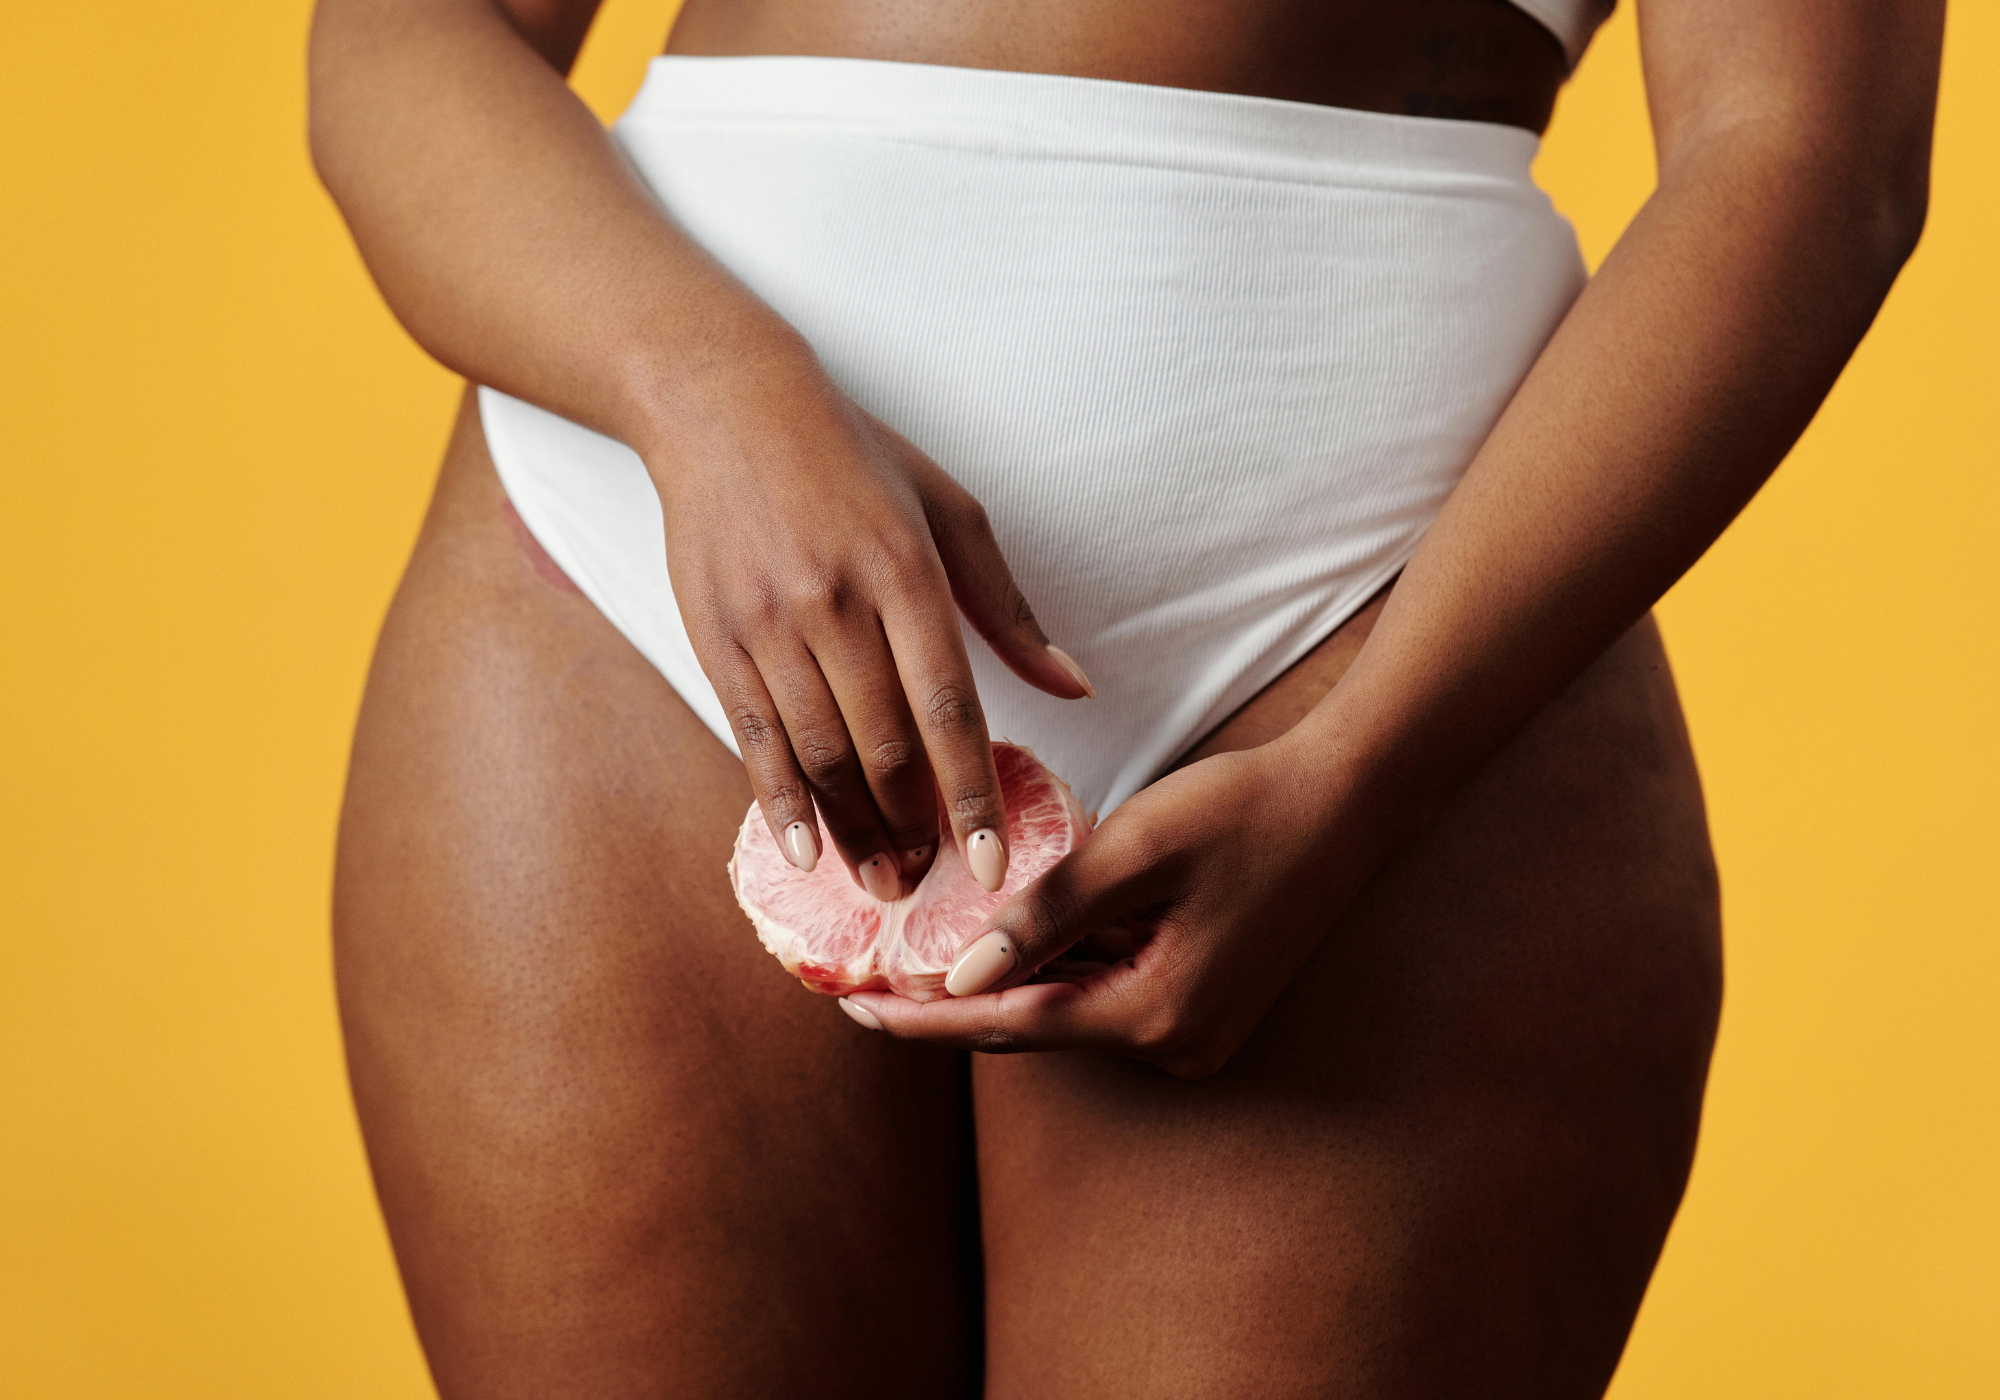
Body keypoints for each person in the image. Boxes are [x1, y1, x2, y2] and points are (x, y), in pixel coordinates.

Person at [309, 0, 1942, 1393]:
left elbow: (1804, 145)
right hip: (646, 538)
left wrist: (1361, 772)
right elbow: (403, 29)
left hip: (1369, 619)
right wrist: (701, 393)